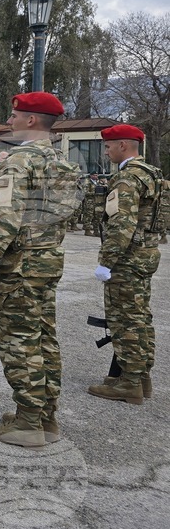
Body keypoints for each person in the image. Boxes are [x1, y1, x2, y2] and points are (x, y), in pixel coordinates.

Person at [0, 92, 78, 448]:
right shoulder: (60, 161)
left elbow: (4, 219)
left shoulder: (19, 161)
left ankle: (29, 421)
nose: (10, 120)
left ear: (31, 121)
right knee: (44, 337)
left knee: (19, 341)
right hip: (48, 259)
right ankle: (45, 415)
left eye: (15, 115)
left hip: (21, 265)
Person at [89, 124, 162, 405]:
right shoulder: (152, 173)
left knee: (124, 320)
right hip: (145, 254)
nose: (106, 151)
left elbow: (122, 224)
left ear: (123, 145)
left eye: (108, 146)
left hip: (127, 259)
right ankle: (140, 377)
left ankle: (129, 384)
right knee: (141, 317)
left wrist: (106, 261)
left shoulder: (127, 179)